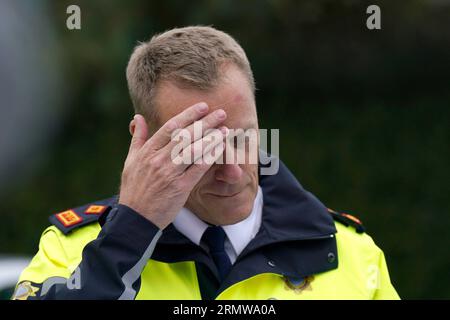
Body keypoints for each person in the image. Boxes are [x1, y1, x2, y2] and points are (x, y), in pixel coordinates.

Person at [13, 26, 399, 300]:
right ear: (142, 140)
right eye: (201, 149)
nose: (232, 171)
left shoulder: (350, 251)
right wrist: (127, 238)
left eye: (243, 138)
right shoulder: (75, 251)